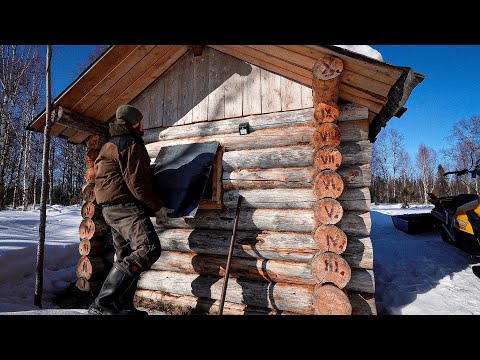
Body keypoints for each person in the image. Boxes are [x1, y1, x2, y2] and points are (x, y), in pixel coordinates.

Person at [88, 104, 163, 315]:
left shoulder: (110, 144)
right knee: (148, 248)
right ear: (136, 123)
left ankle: (122, 306)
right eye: (142, 122)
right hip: (124, 206)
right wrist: (158, 207)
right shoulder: (131, 143)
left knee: (126, 255)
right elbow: (137, 184)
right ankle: (103, 303)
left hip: (109, 208)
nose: (143, 126)